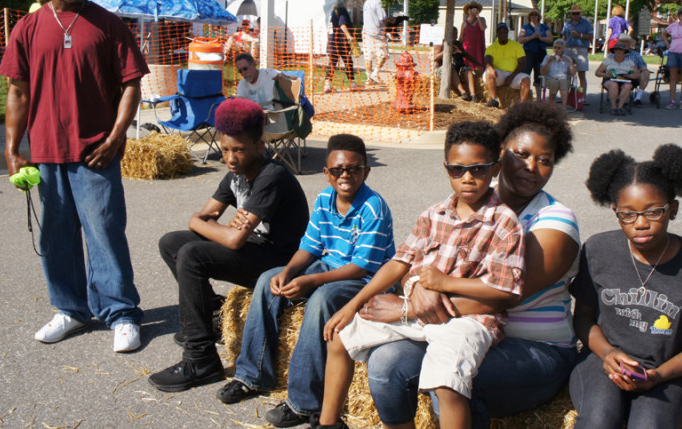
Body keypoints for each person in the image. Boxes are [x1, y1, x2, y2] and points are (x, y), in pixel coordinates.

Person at [364, 102, 580, 428]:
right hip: (456, 328)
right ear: (500, 153)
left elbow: (504, 295)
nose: (532, 167)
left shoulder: (556, 223)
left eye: (545, 160)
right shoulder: (473, 189)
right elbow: (422, 253)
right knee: (384, 363)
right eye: (521, 154)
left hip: (534, 348)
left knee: (450, 378)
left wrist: (409, 309)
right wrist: (415, 285)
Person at [318, 121, 525, 429]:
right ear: (446, 169)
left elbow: (505, 294)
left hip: (469, 321)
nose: (468, 178)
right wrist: (353, 305)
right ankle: (328, 423)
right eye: (458, 170)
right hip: (420, 313)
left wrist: (444, 283)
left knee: (446, 383)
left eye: (478, 169)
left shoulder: (505, 223)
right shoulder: (434, 214)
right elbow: (399, 262)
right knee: (340, 336)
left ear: (495, 169)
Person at [0, 0, 146, 352]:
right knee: (56, 237)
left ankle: (121, 313)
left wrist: (116, 138)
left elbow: (131, 84)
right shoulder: (27, 29)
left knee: (105, 233)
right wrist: (13, 149)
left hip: (94, 152)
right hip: (46, 151)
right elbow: (17, 91)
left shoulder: (107, 24)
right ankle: (71, 309)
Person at [215, 134, 395, 427]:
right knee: (267, 280)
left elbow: (361, 267)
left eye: (353, 168)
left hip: (367, 280)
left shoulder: (373, 207)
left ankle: (303, 401)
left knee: (322, 299)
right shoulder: (325, 199)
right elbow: (311, 246)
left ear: (366, 171)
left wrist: (312, 282)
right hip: (331, 264)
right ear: (326, 173)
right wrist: (287, 271)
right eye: (337, 170)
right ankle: (252, 375)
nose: (345, 175)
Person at [148, 98, 309, 392]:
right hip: (255, 248)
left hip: (279, 263)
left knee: (192, 255)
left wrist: (209, 225)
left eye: (239, 150)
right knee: (171, 243)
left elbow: (230, 237)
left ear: (259, 146)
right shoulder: (235, 174)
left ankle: (201, 359)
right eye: (224, 150)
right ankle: (211, 318)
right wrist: (209, 225)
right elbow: (205, 217)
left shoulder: (272, 175)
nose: (231, 158)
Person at [570, 144, 682, 428]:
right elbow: (582, 317)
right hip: (602, 361)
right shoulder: (597, 249)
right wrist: (607, 353)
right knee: (598, 420)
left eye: (653, 212)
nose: (640, 223)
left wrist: (659, 376)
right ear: (615, 212)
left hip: (665, 373)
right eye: (627, 214)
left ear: (673, 209)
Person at [483, 22, 527, 107]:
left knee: (526, 79)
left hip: (514, 73)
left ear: (507, 33)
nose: (502, 34)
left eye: (504, 32)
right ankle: (494, 99)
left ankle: (522, 105)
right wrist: (491, 68)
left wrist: (512, 76)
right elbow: (487, 60)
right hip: (499, 74)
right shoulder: (492, 47)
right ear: (497, 34)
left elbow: (523, 63)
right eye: (500, 32)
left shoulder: (516, 46)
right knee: (488, 72)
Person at [434, 26, 479, 101]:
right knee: (450, 68)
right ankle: (462, 92)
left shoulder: (458, 44)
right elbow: (434, 58)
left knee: (467, 68)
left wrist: (479, 64)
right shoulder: (440, 44)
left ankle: (473, 94)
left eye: (456, 34)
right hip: (442, 68)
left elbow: (466, 55)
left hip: (458, 67)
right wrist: (447, 51)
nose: (455, 36)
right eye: (452, 34)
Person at [595, 41, 640, 116]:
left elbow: (637, 74)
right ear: (614, 51)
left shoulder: (629, 62)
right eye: (616, 50)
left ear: (624, 52)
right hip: (610, 79)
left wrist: (631, 76)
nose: (618, 51)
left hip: (624, 78)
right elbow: (597, 72)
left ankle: (620, 107)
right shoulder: (608, 60)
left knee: (628, 86)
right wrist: (606, 74)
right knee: (614, 84)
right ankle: (614, 107)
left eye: (620, 50)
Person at [362, 0, 398, 85]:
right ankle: (375, 73)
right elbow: (383, 18)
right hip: (377, 33)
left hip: (366, 32)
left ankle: (369, 78)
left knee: (368, 56)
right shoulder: (378, 2)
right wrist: (392, 20)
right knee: (384, 54)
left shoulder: (367, 2)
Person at [518, 9, 553, 101]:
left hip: (540, 53)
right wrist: (532, 37)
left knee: (539, 75)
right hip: (528, 52)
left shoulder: (544, 27)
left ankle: (538, 98)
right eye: (532, 15)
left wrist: (541, 37)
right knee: (525, 74)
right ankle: (524, 96)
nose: (534, 17)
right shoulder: (525, 27)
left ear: (538, 17)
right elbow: (520, 39)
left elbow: (550, 39)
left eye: (536, 15)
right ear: (529, 17)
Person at [562, 5, 594, 104]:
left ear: (580, 14)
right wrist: (562, 47)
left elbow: (591, 36)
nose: (575, 15)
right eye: (573, 13)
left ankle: (583, 97)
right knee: (566, 73)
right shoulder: (568, 23)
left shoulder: (586, 23)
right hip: (568, 48)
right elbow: (563, 35)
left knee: (581, 73)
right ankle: (565, 97)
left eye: (577, 13)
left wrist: (579, 35)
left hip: (581, 49)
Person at [325, 0, 356, 93]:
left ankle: (327, 85)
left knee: (332, 63)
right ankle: (352, 84)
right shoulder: (343, 11)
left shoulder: (334, 12)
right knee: (348, 62)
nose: (350, 3)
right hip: (341, 41)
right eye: (349, 1)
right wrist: (349, 36)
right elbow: (342, 25)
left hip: (333, 40)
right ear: (344, 2)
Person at [616, 33, 652, 106]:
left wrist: (642, 69)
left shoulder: (636, 54)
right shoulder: (614, 54)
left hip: (634, 76)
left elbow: (643, 65)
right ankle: (623, 97)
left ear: (630, 43)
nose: (625, 44)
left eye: (627, 42)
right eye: (623, 42)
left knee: (646, 72)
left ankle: (637, 98)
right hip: (619, 75)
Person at [541, 38, 576, 109]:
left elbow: (573, 73)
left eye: (559, 48)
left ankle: (563, 106)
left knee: (563, 82)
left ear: (563, 49)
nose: (556, 50)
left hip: (563, 78)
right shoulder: (548, 57)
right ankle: (550, 103)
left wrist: (570, 62)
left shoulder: (567, 58)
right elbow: (542, 72)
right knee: (554, 82)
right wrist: (549, 62)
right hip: (550, 79)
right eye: (555, 47)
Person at [459, 1, 487, 78]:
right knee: (468, 67)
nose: (472, 10)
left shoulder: (481, 19)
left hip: (478, 48)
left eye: (474, 8)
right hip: (468, 49)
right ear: (468, 11)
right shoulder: (464, 23)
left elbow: (483, 28)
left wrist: (478, 16)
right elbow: (461, 37)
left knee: (479, 66)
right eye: (470, 8)